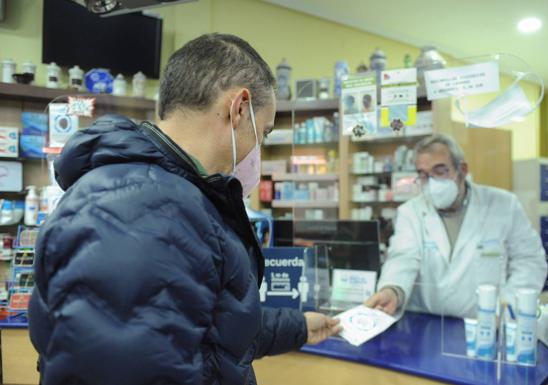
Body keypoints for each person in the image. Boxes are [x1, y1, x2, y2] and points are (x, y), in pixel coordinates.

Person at [28, 33, 341, 385]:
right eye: (263, 133)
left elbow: (203, 326)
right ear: (238, 108)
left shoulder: (171, 195)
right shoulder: (146, 209)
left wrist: (298, 327)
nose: (259, 151)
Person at [365, 134, 548, 318]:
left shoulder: (503, 205)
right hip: (428, 324)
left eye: (440, 171)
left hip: (485, 323)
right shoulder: (411, 212)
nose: (432, 183)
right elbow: (403, 258)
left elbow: (529, 260)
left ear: (462, 169)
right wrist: (393, 290)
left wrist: (508, 308)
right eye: (423, 175)